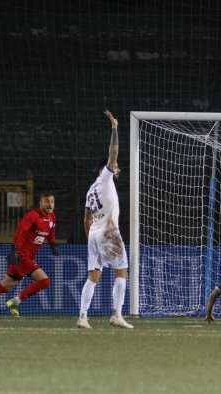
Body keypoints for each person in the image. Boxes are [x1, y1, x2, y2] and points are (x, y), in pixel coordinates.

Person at [76, 109, 133, 329]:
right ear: (106, 169)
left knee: (93, 275)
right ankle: (117, 314)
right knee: (122, 272)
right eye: (115, 167)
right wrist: (115, 127)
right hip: (109, 232)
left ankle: (83, 316)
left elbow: (85, 220)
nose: (117, 169)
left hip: (94, 233)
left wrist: (91, 237)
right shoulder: (105, 179)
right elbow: (113, 151)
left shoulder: (91, 190)